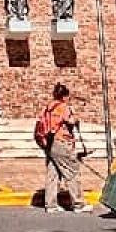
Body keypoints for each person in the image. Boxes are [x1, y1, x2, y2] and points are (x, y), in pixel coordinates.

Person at [37, 83, 89, 213]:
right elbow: (71, 121)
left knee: (53, 173)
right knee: (72, 172)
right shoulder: (63, 107)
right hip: (61, 141)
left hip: (48, 143)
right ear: (65, 96)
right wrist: (76, 117)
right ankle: (78, 204)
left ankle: (51, 205)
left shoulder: (48, 107)